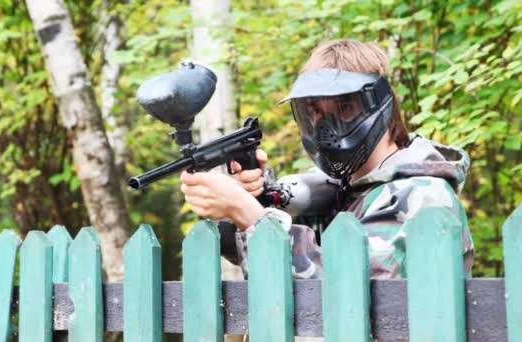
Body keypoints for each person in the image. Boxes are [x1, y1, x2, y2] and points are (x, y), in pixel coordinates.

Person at [180, 39, 474, 279]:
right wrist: (246, 202)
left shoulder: (424, 196)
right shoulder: (335, 190)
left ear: (380, 106)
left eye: (344, 108)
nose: (325, 128)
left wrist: (248, 213)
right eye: (315, 113)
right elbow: (243, 253)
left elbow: (348, 301)